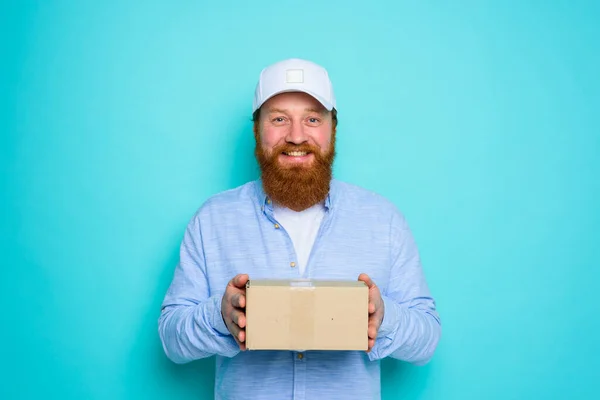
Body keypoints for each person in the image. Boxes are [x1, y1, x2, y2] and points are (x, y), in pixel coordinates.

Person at [158, 58, 441, 400]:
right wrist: (220, 315)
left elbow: (427, 341)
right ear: (256, 130)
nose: (296, 136)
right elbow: (172, 341)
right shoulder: (212, 220)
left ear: (332, 129)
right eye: (279, 119)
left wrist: (383, 318)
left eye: (312, 119)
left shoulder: (384, 220)